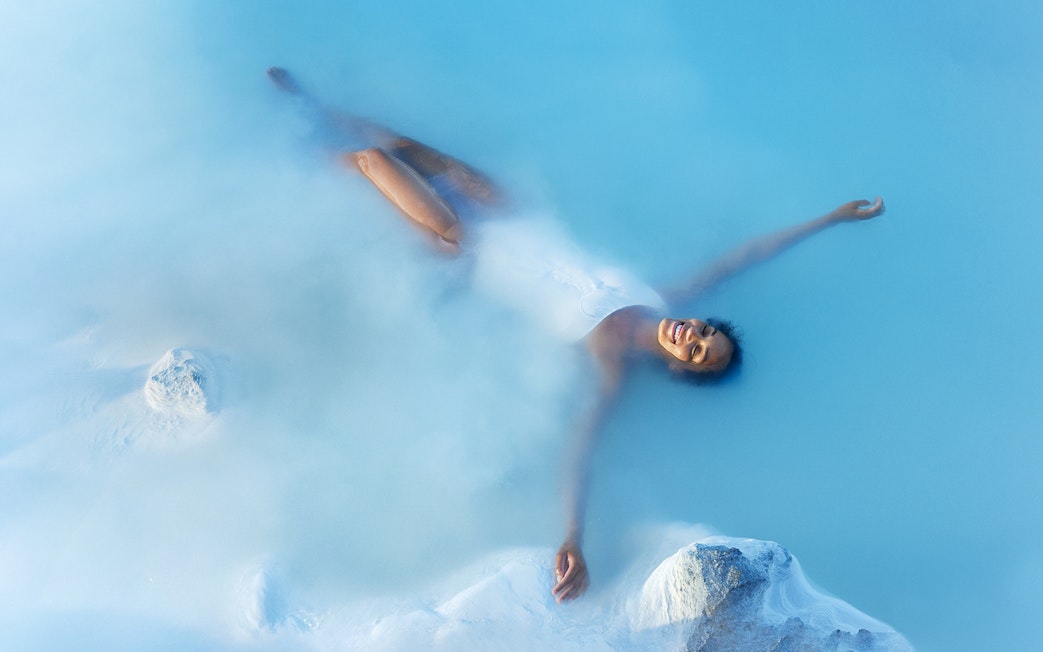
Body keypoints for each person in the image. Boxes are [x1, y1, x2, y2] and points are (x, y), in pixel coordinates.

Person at [266, 67, 886, 602]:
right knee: (402, 145)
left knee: (373, 164)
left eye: (695, 352)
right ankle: (312, 108)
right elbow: (741, 258)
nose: (691, 335)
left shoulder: (611, 359)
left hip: (462, 241)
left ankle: (282, 152)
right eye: (704, 332)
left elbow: (582, 449)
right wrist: (828, 219)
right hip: (504, 209)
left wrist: (572, 537)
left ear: (677, 367)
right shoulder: (664, 299)